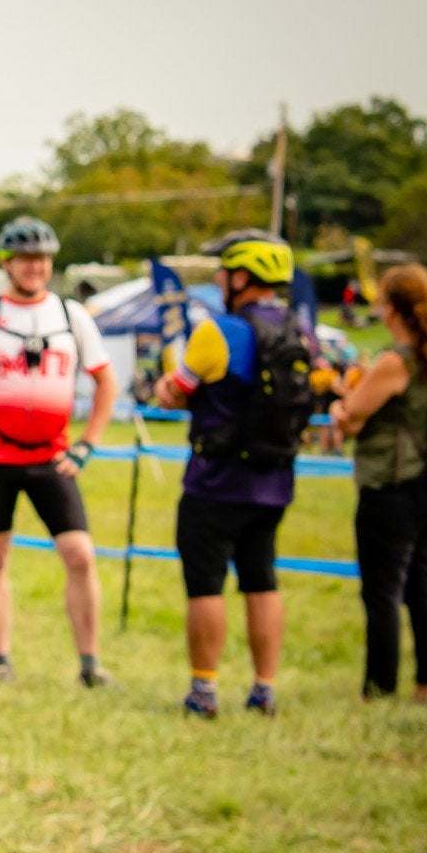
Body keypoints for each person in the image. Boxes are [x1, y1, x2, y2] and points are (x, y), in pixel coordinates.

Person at [0, 216, 118, 688]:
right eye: (25, 258)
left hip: (51, 456)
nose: (34, 267)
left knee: (79, 554)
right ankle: (1, 657)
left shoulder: (70, 315)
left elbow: (106, 382)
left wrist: (87, 445)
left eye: (41, 258)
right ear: (8, 264)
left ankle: (89, 663)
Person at [154, 230, 310, 718]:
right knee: (262, 580)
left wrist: (167, 383)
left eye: (224, 271)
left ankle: (204, 690)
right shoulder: (299, 330)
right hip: (274, 480)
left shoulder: (217, 332)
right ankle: (264, 688)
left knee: (206, 584)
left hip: (215, 481)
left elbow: (175, 391)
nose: (220, 279)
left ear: (242, 278)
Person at [327, 263, 427, 700]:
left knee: (383, 590)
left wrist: (338, 401)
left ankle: (380, 684)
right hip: (424, 480)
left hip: (391, 482)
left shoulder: (395, 361)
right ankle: (424, 681)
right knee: (422, 585)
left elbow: (352, 415)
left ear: (392, 310)